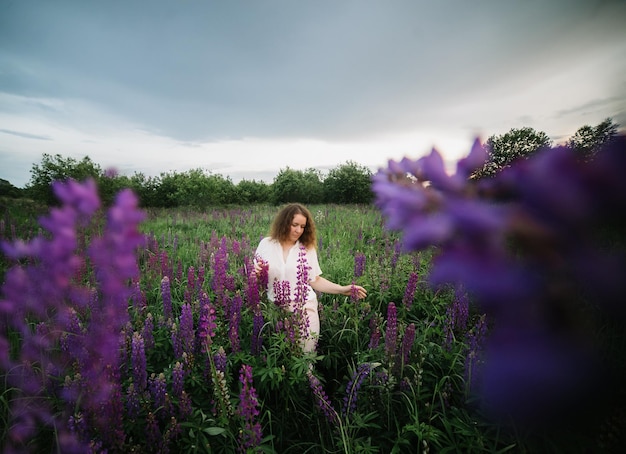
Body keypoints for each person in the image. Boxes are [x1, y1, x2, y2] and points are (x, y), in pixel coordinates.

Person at [254, 203, 367, 353]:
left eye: (302, 226)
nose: (298, 230)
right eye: (294, 225)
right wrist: (254, 273)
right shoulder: (266, 244)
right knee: (281, 358)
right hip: (275, 311)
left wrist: (342, 289)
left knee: (306, 358)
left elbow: (315, 280)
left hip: (304, 310)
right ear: (284, 222)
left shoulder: (307, 248)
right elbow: (256, 277)